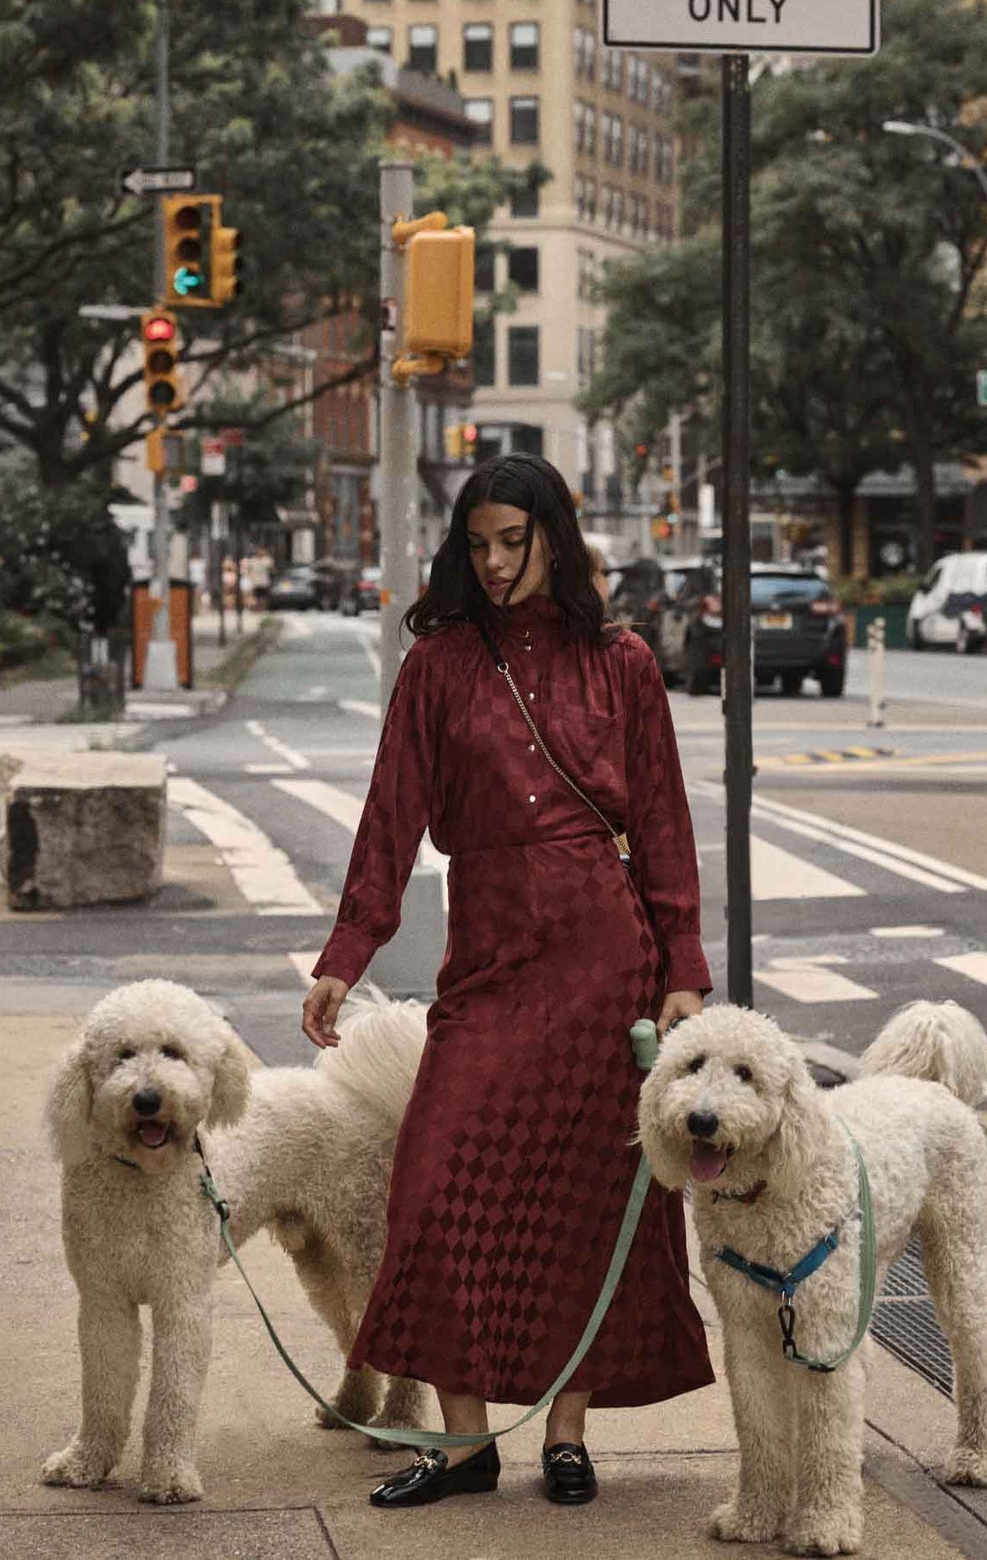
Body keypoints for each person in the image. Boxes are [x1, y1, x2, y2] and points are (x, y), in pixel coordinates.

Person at [302, 453, 713, 1511]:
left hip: (599, 959)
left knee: (578, 1199)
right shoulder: (436, 666)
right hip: (486, 961)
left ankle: (567, 1436)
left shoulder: (620, 663)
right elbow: (388, 817)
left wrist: (681, 972)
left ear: (553, 540)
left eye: (511, 542)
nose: (491, 562)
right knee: (436, 1183)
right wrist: (346, 955)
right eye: (476, 543)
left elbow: (662, 824)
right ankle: (462, 1442)